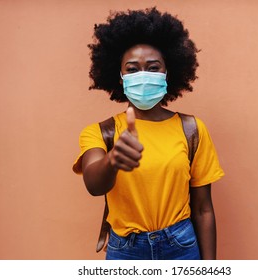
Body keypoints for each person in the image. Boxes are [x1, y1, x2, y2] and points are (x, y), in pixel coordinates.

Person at [73, 7, 224, 260]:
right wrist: (113, 160)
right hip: (126, 251)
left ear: (167, 73)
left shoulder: (192, 129)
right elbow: (93, 184)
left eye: (153, 67)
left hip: (182, 247)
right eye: (132, 69)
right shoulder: (100, 132)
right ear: (120, 78)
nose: (143, 75)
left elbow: (203, 209)